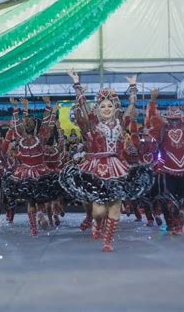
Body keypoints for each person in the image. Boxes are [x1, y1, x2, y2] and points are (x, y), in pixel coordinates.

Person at [59, 72, 153, 252]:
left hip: (117, 167)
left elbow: (132, 106)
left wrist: (133, 87)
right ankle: (96, 221)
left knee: (116, 205)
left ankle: (108, 241)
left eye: (110, 105)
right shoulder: (93, 125)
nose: (107, 108)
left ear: (114, 107)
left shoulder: (120, 122)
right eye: (103, 106)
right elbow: (84, 107)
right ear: (98, 109)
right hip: (97, 167)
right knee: (99, 210)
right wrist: (77, 85)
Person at [145, 86, 184, 234]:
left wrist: (153, 100)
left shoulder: (162, 128)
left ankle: (177, 226)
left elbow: (151, 118)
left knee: (171, 199)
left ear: (168, 118)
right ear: (180, 117)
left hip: (169, 168)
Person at [2, 97, 59, 237]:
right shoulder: (26, 137)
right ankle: (36, 223)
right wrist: (17, 108)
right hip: (31, 172)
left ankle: (37, 221)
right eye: (27, 122)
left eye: (30, 122)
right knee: (33, 200)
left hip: (33, 171)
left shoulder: (35, 138)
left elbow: (47, 126)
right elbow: (18, 124)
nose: (27, 123)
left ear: (33, 126)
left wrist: (48, 108)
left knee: (36, 199)